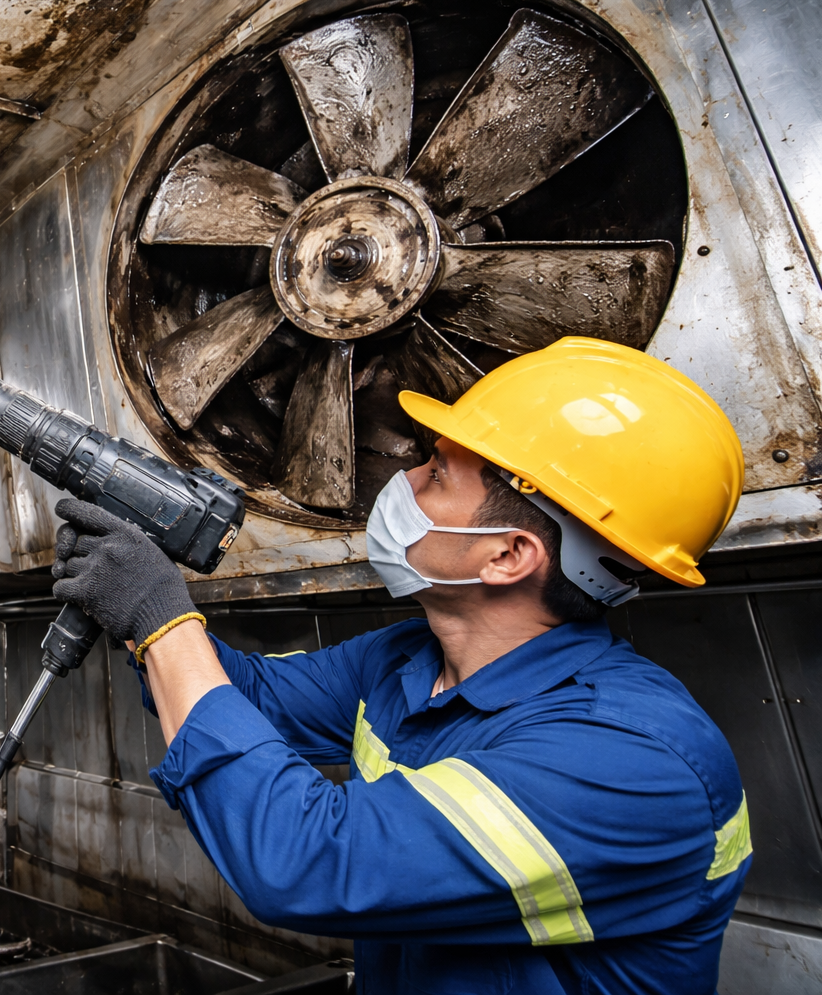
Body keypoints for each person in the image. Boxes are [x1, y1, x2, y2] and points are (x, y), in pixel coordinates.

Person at [49, 337, 751, 994]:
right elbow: (244, 695)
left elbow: (307, 863)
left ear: (507, 554)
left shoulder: (629, 761)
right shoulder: (408, 660)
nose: (405, 477)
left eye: (438, 473)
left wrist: (160, 620)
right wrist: (133, 600)